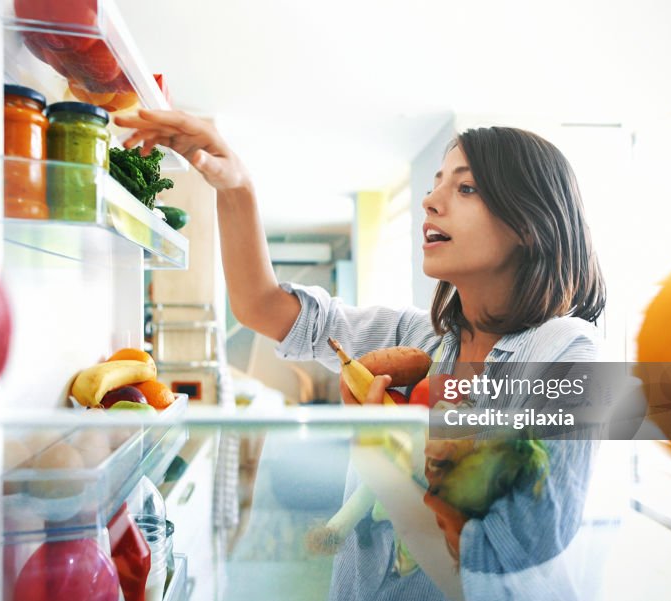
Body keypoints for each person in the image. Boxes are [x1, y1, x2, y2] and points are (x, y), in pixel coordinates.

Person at [116, 109, 607, 600]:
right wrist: (235, 185)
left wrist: (378, 456)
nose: (431, 200)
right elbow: (261, 306)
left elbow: (500, 563)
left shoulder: (568, 353)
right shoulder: (421, 336)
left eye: (465, 188)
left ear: (529, 222)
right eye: (436, 183)